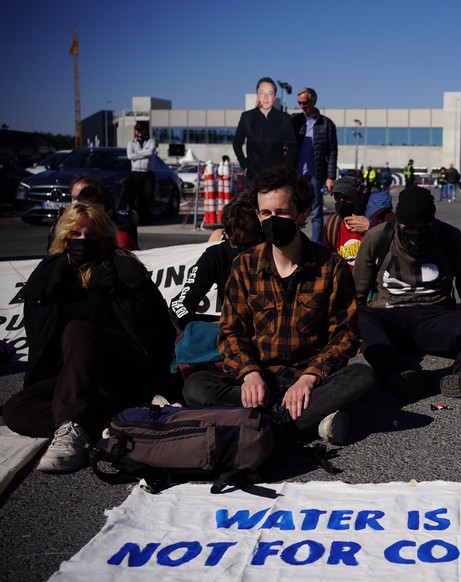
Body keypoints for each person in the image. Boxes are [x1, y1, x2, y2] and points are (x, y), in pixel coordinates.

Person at [182, 166, 376, 446]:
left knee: (363, 376)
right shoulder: (244, 265)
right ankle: (296, 423)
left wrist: (309, 378)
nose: (273, 220)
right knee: (196, 385)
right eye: (265, 214)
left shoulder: (331, 266)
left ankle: (254, 424)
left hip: (310, 379)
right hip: (259, 381)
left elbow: (345, 335)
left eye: (282, 213)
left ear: (303, 214)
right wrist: (249, 375)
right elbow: (231, 332)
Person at [2, 202, 175, 473]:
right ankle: (100, 421)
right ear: (63, 237)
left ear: (105, 237)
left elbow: (161, 329)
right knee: (15, 409)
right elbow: (40, 339)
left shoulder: (127, 272)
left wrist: (161, 382)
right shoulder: (48, 278)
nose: (84, 240)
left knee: (78, 330)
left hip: (121, 372)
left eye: (92, 235)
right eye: (76, 235)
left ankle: (72, 431)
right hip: (73, 378)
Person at [353, 185, 461, 401]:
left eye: (423, 229)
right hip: (391, 318)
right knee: (360, 316)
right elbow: (358, 293)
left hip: (435, 319)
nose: (415, 237)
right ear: (399, 223)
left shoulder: (450, 237)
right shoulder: (377, 237)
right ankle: (398, 374)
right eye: (409, 229)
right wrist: (358, 337)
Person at [168, 194, 263, 332]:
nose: (244, 254)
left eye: (250, 246)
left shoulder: (273, 251)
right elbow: (180, 304)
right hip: (234, 329)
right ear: (226, 235)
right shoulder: (217, 254)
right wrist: (197, 332)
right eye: (236, 246)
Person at [292, 87, 338, 247]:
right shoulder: (295, 121)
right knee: (293, 211)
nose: (302, 106)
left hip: (315, 175)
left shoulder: (326, 124)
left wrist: (330, 176)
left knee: (316, 212)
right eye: (299, 103)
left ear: (313, 101)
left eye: (304, 102)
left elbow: (332, 152)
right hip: (295, 175)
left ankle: (316, 247)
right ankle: (293, 244)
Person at [323, 176, 396, 270]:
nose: (342, 202)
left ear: (360, 198)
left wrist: (372, 225)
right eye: (338, 198)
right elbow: (327, 258)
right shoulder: (332, 224)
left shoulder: (379, 215)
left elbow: (400, 229)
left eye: (347, 198)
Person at [48, 175, 139, 251]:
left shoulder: (120, 240)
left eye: (91, 235)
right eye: (74, 198)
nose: (77, 205)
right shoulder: (62, 227)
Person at [232, 77, 297, 180]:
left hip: (278, 176)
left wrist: (286, 168)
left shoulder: (285, 118)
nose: (266, 97)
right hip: (254, 175)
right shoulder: (247, 117)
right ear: (257, 96)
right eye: (262, 93)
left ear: (274, 97)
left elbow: (293, 147)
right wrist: (244, 165)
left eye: (270, 94)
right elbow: (237, 144)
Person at [125, 121, 157, 222]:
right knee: (137, 196)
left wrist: (137, 153)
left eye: (141, 130)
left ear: (145, 130)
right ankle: (138, 216)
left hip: (147, 172)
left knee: (148, 194)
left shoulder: (151, 141)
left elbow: (151, 152)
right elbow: (130, 156)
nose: (140, 132)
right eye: (137, 130)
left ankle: (146, 214)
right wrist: (144, 154)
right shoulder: (131, 143)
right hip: (135, 172)